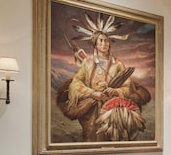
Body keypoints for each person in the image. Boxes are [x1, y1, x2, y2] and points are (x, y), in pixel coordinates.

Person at [58, 13, 150, 142]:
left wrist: (116, 91)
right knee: (92, 139)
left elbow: (128, 85)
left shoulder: (118, 64)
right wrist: (92, 93)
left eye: (106, 40)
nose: (104, 43)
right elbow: (76, 83)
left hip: (113, 110)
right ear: (95, 43)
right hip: (92, 109)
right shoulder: (88, 63)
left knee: (112, 139)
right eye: (101, 40)